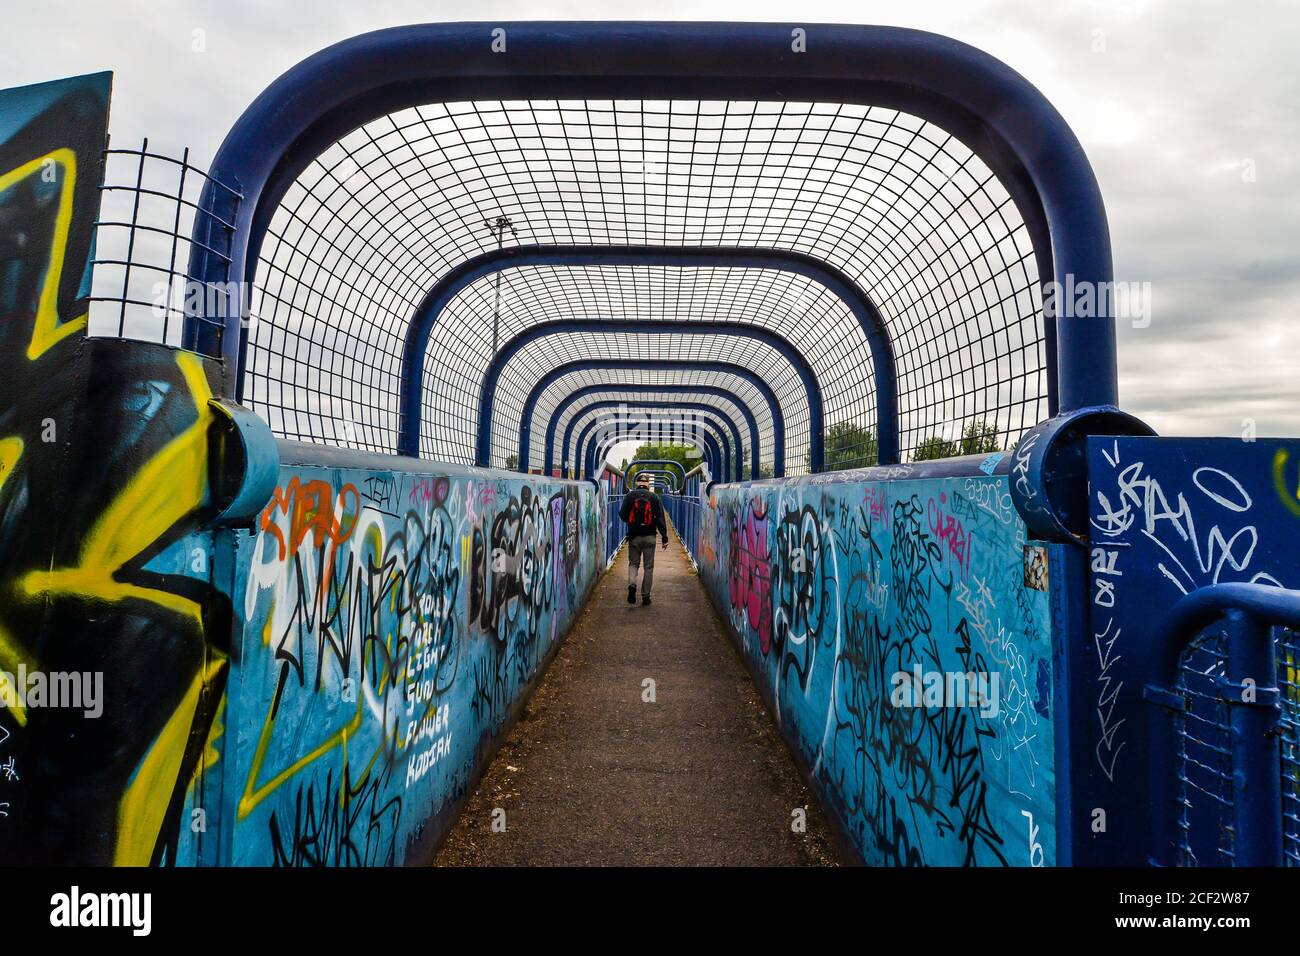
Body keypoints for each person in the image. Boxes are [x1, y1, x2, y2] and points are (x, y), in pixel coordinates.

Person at [618, 471, 669, 605]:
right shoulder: (654, 497)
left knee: (633, 563)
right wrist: (664, 537)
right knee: (648, 567)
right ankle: (646, 596)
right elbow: (660, 519)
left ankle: (632, 585)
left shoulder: (630, 496)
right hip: (650, 537)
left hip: (634, 537)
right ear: (647, 484)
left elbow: (622, 516)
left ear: (637, 484)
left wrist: (632, 520)